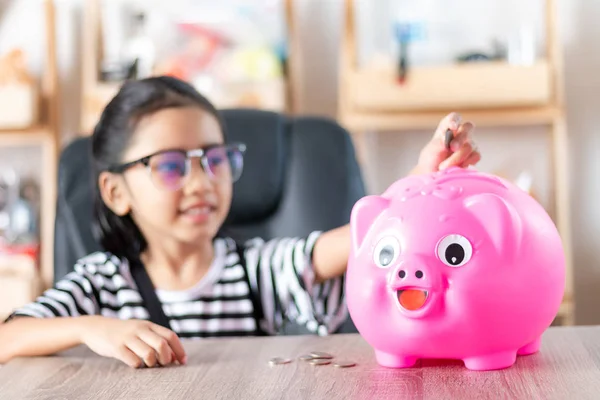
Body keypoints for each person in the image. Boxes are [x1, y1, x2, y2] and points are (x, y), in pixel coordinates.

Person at [0, 76, 480, 368]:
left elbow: (345, 243)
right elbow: (8, 338)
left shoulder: (253, 271)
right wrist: (92, 329)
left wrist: (419, 178)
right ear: (115, 192)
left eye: (215, 159)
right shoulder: (104, 282)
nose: (201, 182)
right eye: (170, 165)